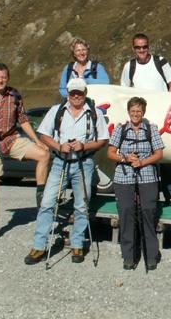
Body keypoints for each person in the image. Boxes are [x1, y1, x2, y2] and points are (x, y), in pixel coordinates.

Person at [24, 78, 109, 265]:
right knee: (47, 203)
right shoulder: (57, 111)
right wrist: (58, 146)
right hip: (60, 163)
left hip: (84, 163)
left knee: (81, 206)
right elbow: (44, 134)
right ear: (68, 94)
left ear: (85, 92)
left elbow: (102, 139)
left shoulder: (94, 113)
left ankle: (77, 243)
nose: (76, 96)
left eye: (79, 92)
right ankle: (39, 246)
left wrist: (84, 146)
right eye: (73, 93)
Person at [0, 63, 50, 244]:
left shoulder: (14, 96)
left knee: (44, 155)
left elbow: (23, 121)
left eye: (3, 77)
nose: (0, 80)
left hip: (10, 139)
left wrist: (37, 141)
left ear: (8, 77)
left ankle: (41, 195)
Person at [120, 33, 171, 205]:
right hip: (139, 118)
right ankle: (139, 194)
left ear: (149, 47)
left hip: (161, 115)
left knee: (165, 154)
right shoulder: (129, 66)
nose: (142, 50)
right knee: (140, 154)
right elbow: (124, 90)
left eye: (144, 46)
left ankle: (170, 194)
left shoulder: (160, 62)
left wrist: (170, 103)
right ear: (133, 49)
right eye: (138, 47)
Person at [107, 97, 164, 270]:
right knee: (126, 213)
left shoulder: (151, 130)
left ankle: (151, 255)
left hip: (147, 175)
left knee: (148, 212)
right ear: (128, 112)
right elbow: (110, 153)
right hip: (124, 176)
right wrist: (125, 158)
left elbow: (159, 154)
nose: (136, 114)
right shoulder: (121, 130)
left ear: (144, 112)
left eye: (139, 111)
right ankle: (129, 256)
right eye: (133, 111)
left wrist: (142, 162)